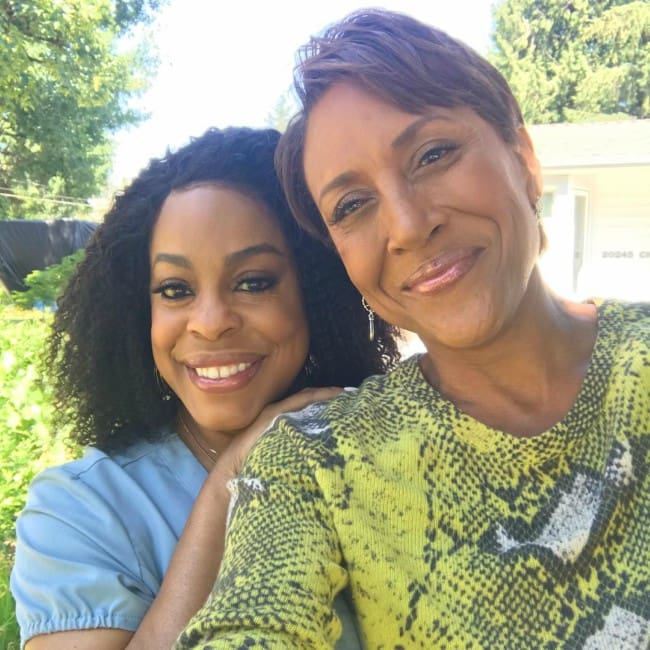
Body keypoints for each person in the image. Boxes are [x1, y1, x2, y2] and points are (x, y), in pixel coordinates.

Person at [177, 10, 650, 649]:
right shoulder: (320, 460)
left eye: (432, 155)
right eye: (351, 206)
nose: (405, 225)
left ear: (523, 158)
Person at [10, 126, 400, 649]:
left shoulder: (390, 459)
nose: (211, 322)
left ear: (315, 293)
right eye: (175, 290)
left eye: (253, 281)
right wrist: (229, 480)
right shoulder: (80, 511)